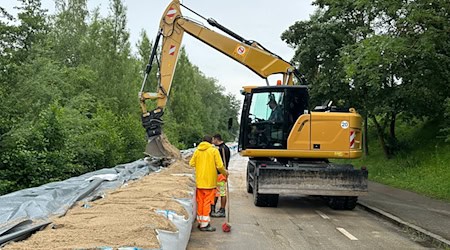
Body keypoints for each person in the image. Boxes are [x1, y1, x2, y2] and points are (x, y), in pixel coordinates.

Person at [189, 135, 228, 232]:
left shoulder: (197, 151)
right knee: (207, 203)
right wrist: (225, 173)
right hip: (210, 183)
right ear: (211, 141)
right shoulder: (213, 151)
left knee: (200, 202)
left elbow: (191, 163)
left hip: (199, 182)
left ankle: (200, 222)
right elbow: (219, 165)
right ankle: (205, 224)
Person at [211, 134, 231, 218]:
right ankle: (214, 208)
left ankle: (222, 210)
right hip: (221, 174)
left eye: (213, 140)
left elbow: (221, 164)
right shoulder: (225, 147)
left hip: (221, 174)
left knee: (222, 192)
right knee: (217, 192)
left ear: (216, 139)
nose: (212, 142)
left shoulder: (221, 149)